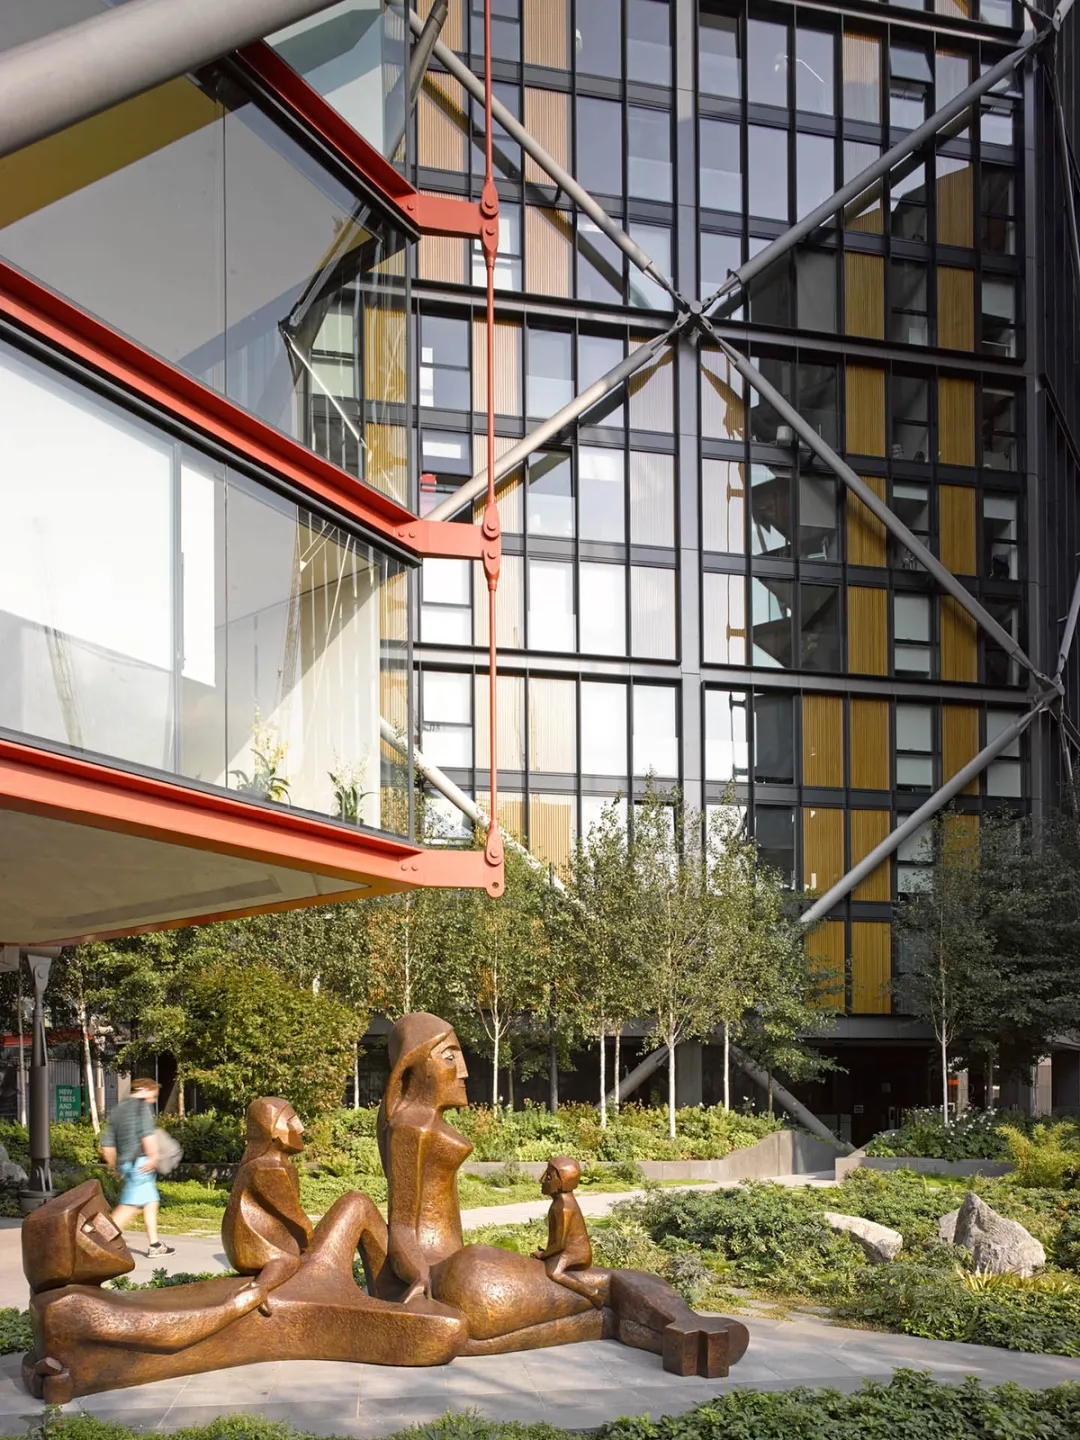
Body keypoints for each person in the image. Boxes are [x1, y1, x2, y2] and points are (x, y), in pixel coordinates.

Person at [99, 1078, 174, 1258]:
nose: (154, 1100)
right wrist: (153, 1156)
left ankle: (155, 1244)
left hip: (127, 1163)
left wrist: (114, 1167)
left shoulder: (117, 1110)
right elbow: (147, 1135)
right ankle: (102, 1240)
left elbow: (107, 1144)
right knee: (129, 1206)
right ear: (143, 1090)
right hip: (141, 1163)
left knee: (150, 1201)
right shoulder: (141, 1108)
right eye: (153, 1095)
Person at [531, 1156, 603, 1308]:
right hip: (565, 1249)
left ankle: (592, 1293)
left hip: (576, 1254)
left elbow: (560, 1245)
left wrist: (544, 1255)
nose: (542, 1180)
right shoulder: (559, 1203)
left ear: (562, 1182)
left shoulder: (564, 1208)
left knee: (553, 1273)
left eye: (548, 1176)